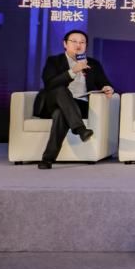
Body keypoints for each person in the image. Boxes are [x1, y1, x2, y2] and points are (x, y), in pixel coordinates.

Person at [33, 29, 114, 169]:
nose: (78, 45)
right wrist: (73, 71)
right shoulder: (54, 61)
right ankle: (80, 129)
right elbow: (49, 84)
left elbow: (104, 82)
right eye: (74, 41)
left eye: (82, 42)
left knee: (60, 114)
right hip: (53, 102)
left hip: (79, 105)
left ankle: (47, 159)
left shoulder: (93, 64)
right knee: (60, 89)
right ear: (65, 44)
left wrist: (107, 87)